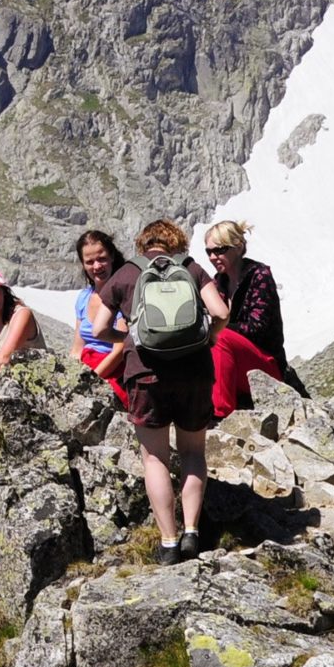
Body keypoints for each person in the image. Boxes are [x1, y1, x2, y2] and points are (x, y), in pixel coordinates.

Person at [87, 220, 234, 564]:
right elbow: (222, 312)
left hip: (145, 374)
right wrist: (209, 337)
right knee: (193, 453)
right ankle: (193, 534)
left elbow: (98, 328)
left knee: (154, 458)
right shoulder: (192, 268)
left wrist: (128, 340)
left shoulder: (125, 274)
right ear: (177, 243)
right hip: (195, 372)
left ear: (143, 244)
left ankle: (169, 542)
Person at [203, 220, 306, 391]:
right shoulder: (218, 282)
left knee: (220, 337)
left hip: (267, 364)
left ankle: (219, 412)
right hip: (238, 360)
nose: (213, 257)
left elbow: (256, 329)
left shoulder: (259, 275)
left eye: (220, 250)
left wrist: (219, 324)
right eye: (209, 252)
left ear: (237, 247)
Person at [71, 230, 129, 403]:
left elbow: (120, 349)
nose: (97, 266)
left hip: (114, 370)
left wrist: (92, 379)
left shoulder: (124, 296)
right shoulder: (83, 298)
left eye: (101, 258)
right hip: (88, 366)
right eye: (89, 261)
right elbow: (77, 348)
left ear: (112, 256)